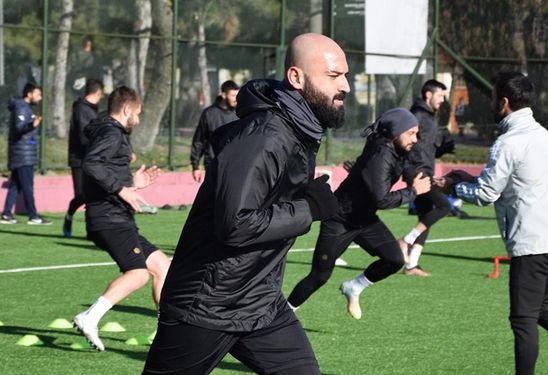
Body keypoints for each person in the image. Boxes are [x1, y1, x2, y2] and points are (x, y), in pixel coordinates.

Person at [142, 33, 350, 374]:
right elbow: (235, 224)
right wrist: (308, 208)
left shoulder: (298, 131)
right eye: (333, 76)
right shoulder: (263, 136)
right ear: (296, 77)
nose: (345, 86)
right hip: (208, 304)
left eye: (344, 75)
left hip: (259, 302)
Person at [440, 71, 548, 375]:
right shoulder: (542, 134)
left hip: (532, 243)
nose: (491, 103)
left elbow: (486, 195)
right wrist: (465, 178)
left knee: (523, 319)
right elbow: (508, 182)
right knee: (543, 309)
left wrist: (450, 186)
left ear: (503, 102)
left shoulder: (508, 142)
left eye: (492, 98)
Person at [287, 108, 431, 320]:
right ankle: (284, 314)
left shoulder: (393, 149)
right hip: (340, 220)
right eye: (410, 133)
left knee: (394, 259)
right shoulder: (380, 156)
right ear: (395, 132)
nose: (415, 139)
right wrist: (414, 191)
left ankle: (354, 287)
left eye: (416, 133)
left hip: (364, 220)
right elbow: (381, 199)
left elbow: (399, 168)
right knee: (320, 275)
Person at [72, 86, 171, 352]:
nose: (138, 120)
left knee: (164, 267)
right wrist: (122, 189)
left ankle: (167, 334)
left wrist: (132, 182)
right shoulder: (110, 133)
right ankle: (89, 317)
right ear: (127, 110)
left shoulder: (108, 132)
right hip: (109, 218)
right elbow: (92, 165)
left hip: (115, 216)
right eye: (137, 114)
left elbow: (105, 169)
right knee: (138, 274)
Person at [397, 79, 453, 276]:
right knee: (444, 206)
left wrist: (445, 146)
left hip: (424, 170)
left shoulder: (430, 117)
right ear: (428, 95)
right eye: (440, 96)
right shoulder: (417, 116)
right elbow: (407, 145)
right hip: (417, 172)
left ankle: (411, 265)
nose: (442, 100)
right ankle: (406, 240)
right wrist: (414, 172)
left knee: (426, 217)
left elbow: (427, 149)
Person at [1, 83, 51, 225]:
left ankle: (6, 214)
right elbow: (19, 128)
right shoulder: (21, 107)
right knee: (27, 185)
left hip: (23, 153)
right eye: (38, 94)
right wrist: (32, 125)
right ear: (29, 94)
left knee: (15, 185)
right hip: (22, 155)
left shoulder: (25, 107)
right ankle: (33, 216)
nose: (40, 98)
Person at [63, 78, 104, 237]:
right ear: (98, 93)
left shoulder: (94, 111)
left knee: (92, 196)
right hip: (79, 160)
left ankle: (91, 231)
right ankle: (69, 215)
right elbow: (84, 137)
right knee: (82, 195)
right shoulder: (81, 109)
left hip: (92, 160)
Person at [190, 80, 240, 182]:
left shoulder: (240, 114)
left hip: (235, 165)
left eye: (238, 96)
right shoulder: (209, 114)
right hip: (213, 165)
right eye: (233, 96)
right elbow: (199, 140)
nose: (236, 99)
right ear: (223, 95)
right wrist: (195, 166)